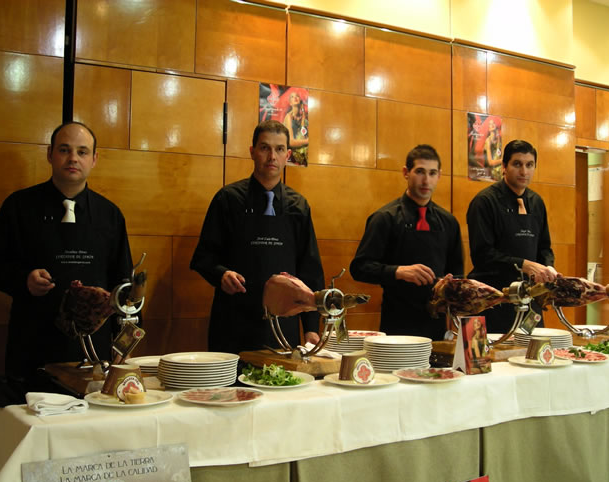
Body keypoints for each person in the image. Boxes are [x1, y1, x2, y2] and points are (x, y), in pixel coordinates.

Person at [0, 122, 134, 379]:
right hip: (32, 342)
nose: (73, 158)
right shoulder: (19, 207)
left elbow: (125, 286)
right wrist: (24, 280)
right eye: (64, 149)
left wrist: (125, 344)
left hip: (94, 349)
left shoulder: (110, 215)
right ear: (50, 154)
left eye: (82, 152)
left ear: (94, 159)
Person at [190, 120, 324, 353]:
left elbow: (310, 271)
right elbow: (203, 257)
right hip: (234, 323)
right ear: (252, 152)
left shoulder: (299, 206)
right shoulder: (228, 199)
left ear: (288, 155)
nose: (272, 156)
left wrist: (312, 327)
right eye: (265, 148)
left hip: (284, 327)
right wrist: (221, 275)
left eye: (280, 149)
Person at [350, 144, 464, 341]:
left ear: (439, 176)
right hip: (397, 326)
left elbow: (457, 275)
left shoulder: (449, 222)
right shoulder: (384, 218)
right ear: (406, 172)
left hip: (437, 328)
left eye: (432, 173)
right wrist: (398, 272)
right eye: (420, 171)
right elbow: (360, 267)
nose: (426, 180)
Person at [466, 139, 559, 333]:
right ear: (504, 167)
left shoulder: (537, 202)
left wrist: (548, 267)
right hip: (493, 301)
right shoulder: (484, 202)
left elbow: (544, 247)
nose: (524, 172)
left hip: (530, 300)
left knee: (532, 357)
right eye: (517, 164)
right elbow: (483, 256)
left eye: (529, 165)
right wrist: (525, 264)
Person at [282, 90, 308, 166]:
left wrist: (303, 121)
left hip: (301, 156)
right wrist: (307, 141)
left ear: (300, 100)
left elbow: (303, 137)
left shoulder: (304, 119)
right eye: (292, 97)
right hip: (289, 155)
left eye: (297, 96)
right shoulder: (288, 117)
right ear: (290, 103)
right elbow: (291, 142)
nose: (295, 98)